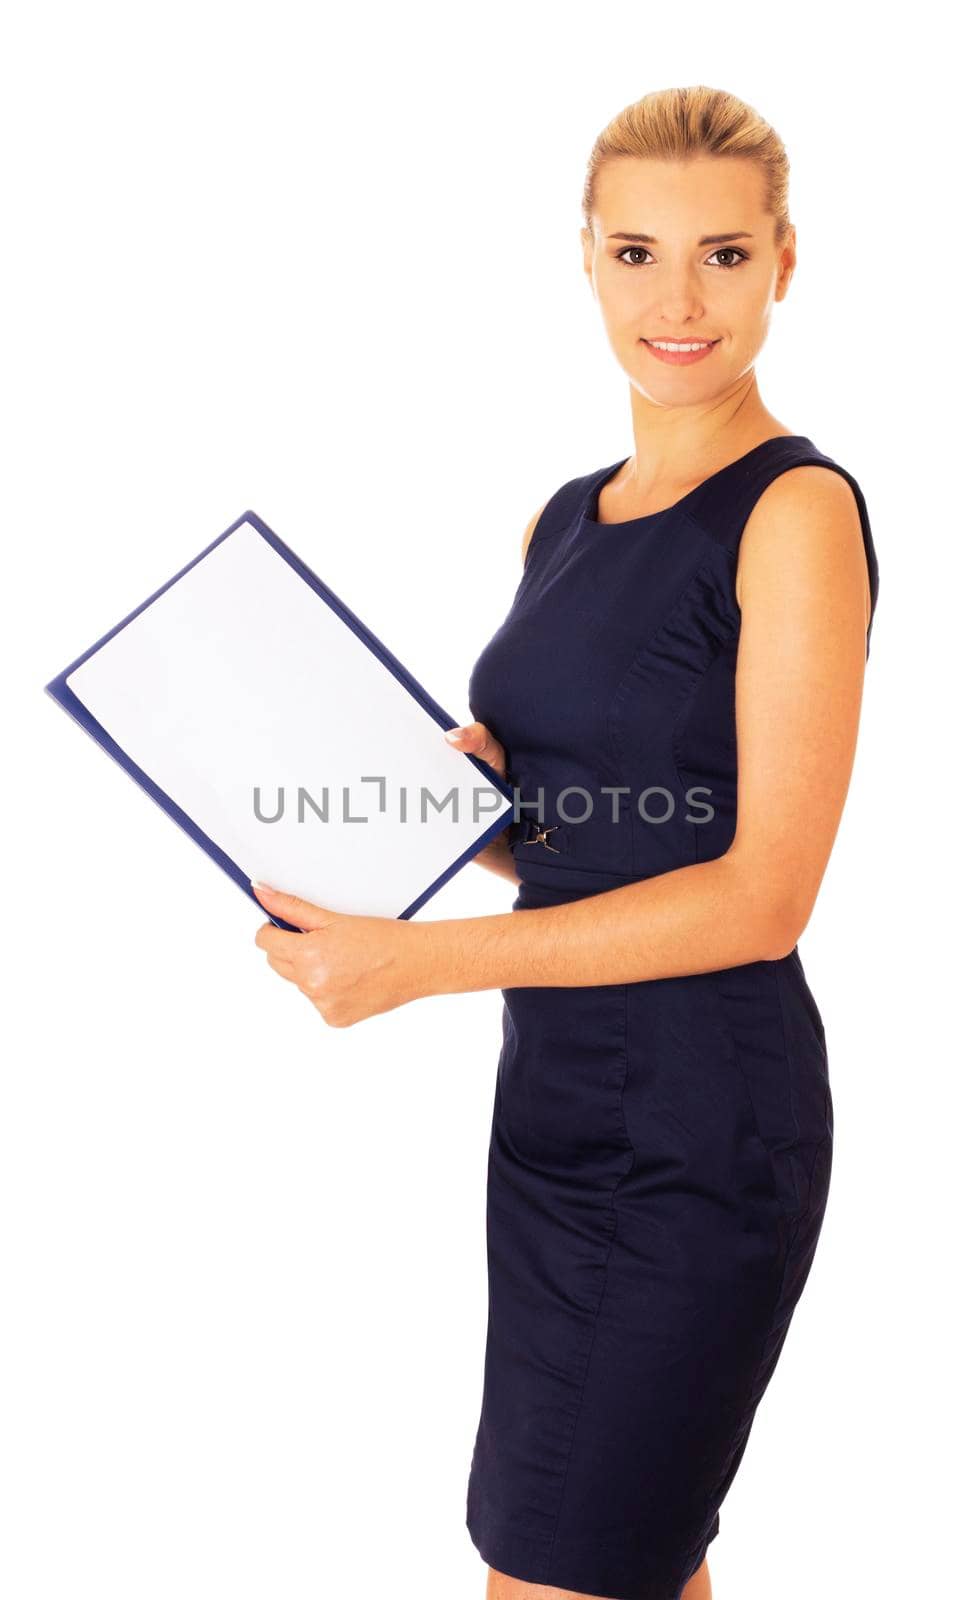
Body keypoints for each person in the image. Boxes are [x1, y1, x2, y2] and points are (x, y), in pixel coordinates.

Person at [252, 84, 879, 1600]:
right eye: (639, 252)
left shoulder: (795, 513)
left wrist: (420, 966)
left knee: (559, 1569)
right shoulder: (565, 519)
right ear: (586, 258)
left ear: (786, 261)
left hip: (698, 1128)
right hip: (557, 1116)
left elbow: (760, 896)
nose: (679, 301)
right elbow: (601, 843)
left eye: (724, 256)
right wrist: (474, 819)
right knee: (633, 1563)